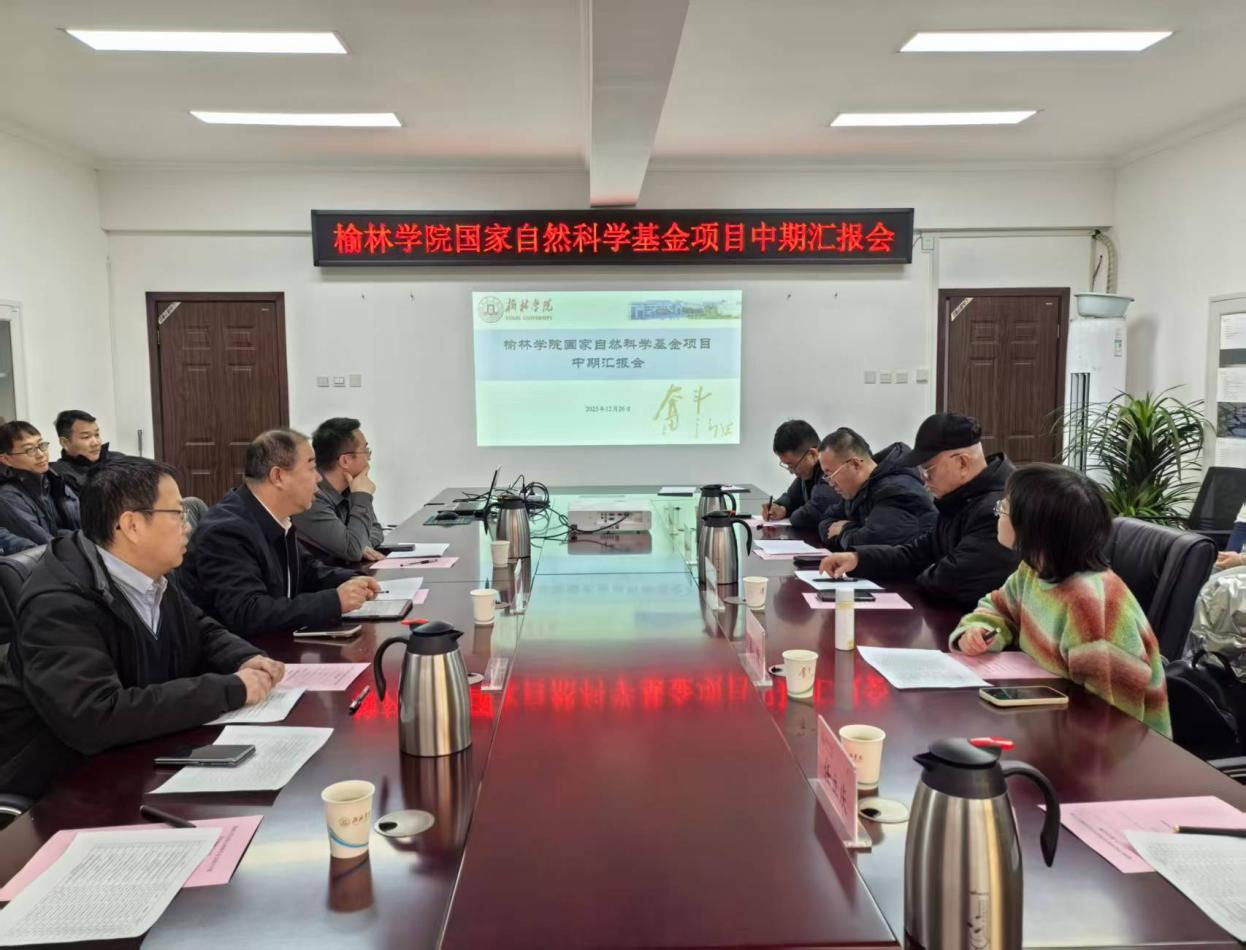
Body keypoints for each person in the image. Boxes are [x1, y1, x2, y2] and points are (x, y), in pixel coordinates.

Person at [0, 457, 285, 799]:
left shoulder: (148, 572)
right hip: (63, 787)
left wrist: (244, 657)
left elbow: (198, 628)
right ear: (132, 525)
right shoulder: (58, 605)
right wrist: (229, 689)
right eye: (177, 514)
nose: (188, 527)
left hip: (138, 758)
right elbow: (96, 716)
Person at [949, 463, 1171, 736]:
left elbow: (1111, 718)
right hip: (1046, 722)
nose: (998, 514)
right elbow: (999, 608)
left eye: (1004, 508)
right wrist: (978, 631)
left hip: (1113, 747)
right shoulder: (1035, 569)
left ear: (1034, 527)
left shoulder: (1089, 607)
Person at [179, 428, 379, 638]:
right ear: (278, 476)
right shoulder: (227, 531)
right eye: (311, 468)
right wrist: (334, 601)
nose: (319, 478)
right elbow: (248, 612)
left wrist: (357, 579)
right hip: (244, 652)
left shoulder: (274, 517)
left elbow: (308, 571)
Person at [819, 412, 1019, 608]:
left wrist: (921, 571)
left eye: (928, 469)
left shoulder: (999, 510)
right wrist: (858, 559)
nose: (924, 479)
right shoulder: (958, 500)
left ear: (962, 463)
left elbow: (950, 581)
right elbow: (914, 555)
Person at [815, 427, 936, 550]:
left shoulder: (896, 490)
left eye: (831, 474)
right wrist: (855, 531)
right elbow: (825, 522)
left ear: (855, 464)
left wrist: (844, 529)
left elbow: (869, 544)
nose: (830, 483)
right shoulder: (857, 490)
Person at [292, 417, 385, 566]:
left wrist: (360, 544)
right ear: (345, 461)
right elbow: (353, 551)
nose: (368, 458)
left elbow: (376, 530)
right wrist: (362, 496)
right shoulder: (312, 498)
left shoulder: (351, 487)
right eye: (365, 451)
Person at [0, 420, 80, 545]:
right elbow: (44, 543)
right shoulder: (8, 496)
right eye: (29, 450)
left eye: (41, 445)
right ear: (6, 459)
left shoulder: (52, 479)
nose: (41, 454)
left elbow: (79, 523)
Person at [760, 419, 842, 531]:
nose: (791, 471)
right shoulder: (808, 472)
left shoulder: (830, 471)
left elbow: (809, 515)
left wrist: (793, 514)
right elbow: (792, 497)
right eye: (787, 466)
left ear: (812, 454)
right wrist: (781, 508)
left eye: (792, 465)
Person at [50, 409, 125, 494]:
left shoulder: (119, 459)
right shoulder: (59, 476)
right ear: (65, 443)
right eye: (86, 437)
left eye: (97, 434)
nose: (96, 443)